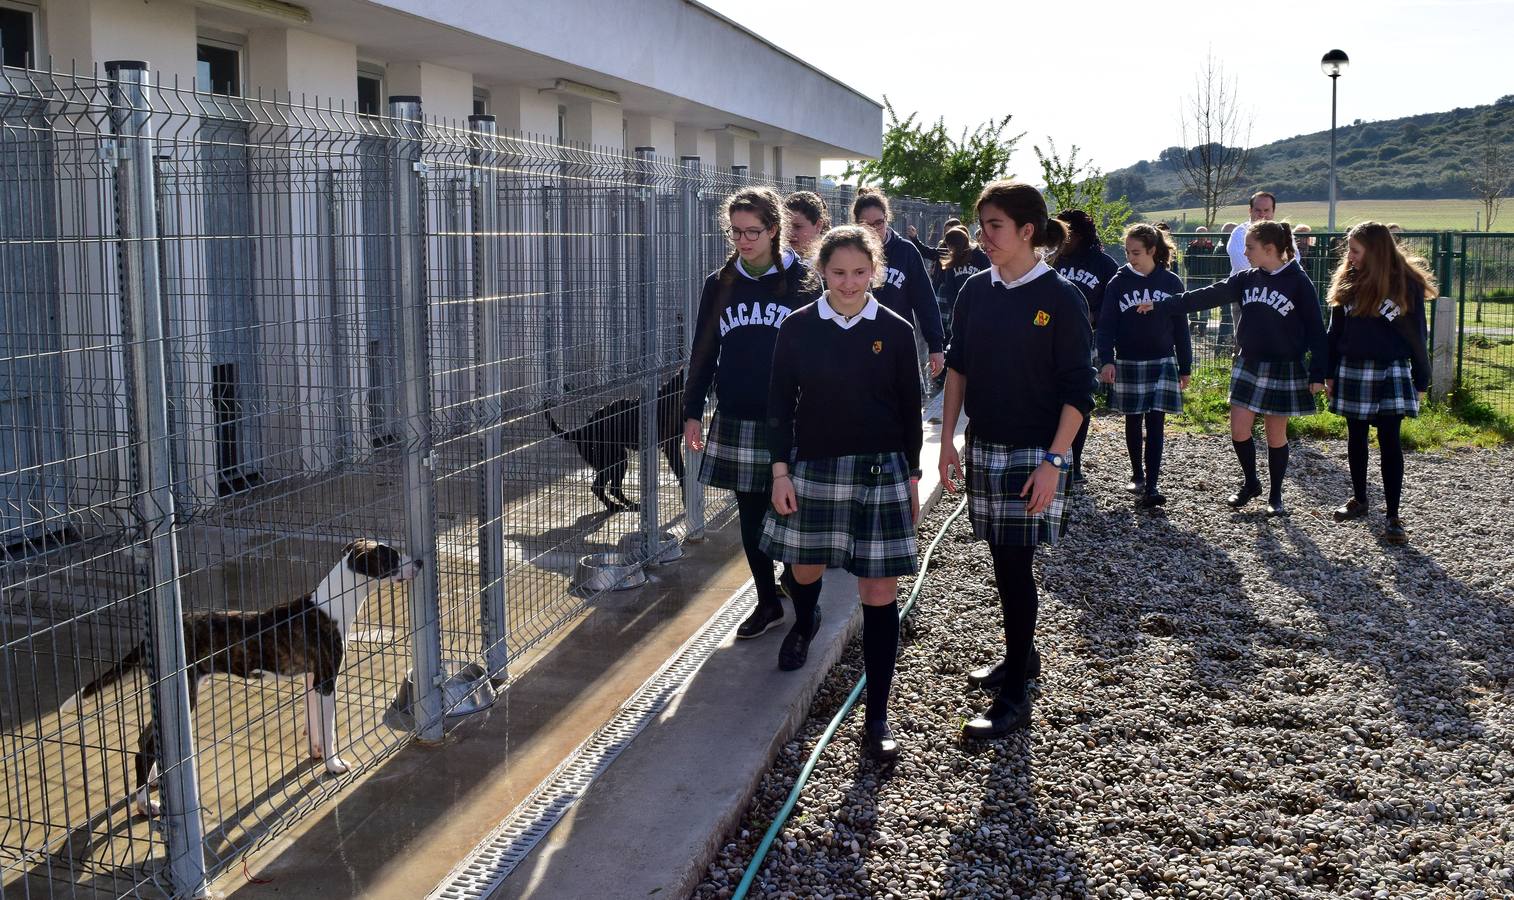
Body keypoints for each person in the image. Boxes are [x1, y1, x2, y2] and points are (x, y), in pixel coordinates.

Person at [938, 180, 1094, 739]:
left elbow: (1080, 391)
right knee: (1005, 562)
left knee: (1015, 564)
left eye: (995, 226)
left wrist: (1054, 461)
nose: (984, 237)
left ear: (1028, 231)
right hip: (986, 441)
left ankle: (1014, 696)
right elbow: (958, 369)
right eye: (982, 225)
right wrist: (949, 441)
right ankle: (1020, 658)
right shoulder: (975, 291)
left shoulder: (1062, 298)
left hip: (1036, 451)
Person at [761, 224, 923, 761]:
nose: (850, 282)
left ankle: (876, 719)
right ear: (821, 272)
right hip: (814, 468)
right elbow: (780, 406)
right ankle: (806, 618)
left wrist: (912, 478)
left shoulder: (897, 330)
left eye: (860, 272)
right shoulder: (798, 327)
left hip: (882, 472)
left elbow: (909, 410)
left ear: (874, 270)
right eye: (838, 272)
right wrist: (781, 473)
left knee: (879, 594)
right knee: (803, 570)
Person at [684, 187, 820, 641]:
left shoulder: (805, 281)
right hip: (739, 413)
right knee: (751, 516)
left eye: (753, 232)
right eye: (736, 231)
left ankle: (802, 606)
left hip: (795, 418)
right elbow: (703, 350)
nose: (743, 240)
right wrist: (692, 410)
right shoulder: (719, 283)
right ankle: (766, 603)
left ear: (775, 230)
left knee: (795, 517)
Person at [1165, 221, 1327, 515]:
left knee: (1276, 436)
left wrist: (1318, 372)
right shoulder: (1246, 278)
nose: (1245, 253)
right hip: (1248, 363)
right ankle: (1251, 482)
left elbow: (1317, 330)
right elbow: (1207, 295)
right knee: (1239, 430)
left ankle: (1275, 496)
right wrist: (1164, 304)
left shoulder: (1298, 281)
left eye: (1250, 247)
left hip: (1284, 366)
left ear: (1270, 249)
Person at [1323, 222, 1433, 544]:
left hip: (1392, 370)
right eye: (1349, 250)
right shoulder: (1349, 279)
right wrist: (1328, 371)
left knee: (1390, 441)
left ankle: (1394, 517)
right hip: (1353, 368)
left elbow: (1417, 333)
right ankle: (1359, 499)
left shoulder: (1405, 284)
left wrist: (1422, 375)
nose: (1350, 256)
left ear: (1375, 251)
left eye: (1355, 251)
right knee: (1355, 437)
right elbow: (1335, 333)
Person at [1097, 224, 1192, 508]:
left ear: (1152, 250)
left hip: (1163, 360)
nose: (1131, 257)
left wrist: (1185, 367)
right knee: (1133, 419)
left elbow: (1181, 329)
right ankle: (1137, 474)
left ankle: (1152, 485)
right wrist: (1106, 360)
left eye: (1136, 252)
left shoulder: (1172, 282)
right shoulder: (1118, 282)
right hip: (1128, 359)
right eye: (1127, 252)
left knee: (1157, 421)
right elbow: (1106, 326)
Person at [1050, 209, 1119, 487]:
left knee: (1078, 402)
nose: (1066, 240)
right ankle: (1053, 457)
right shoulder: (1051, 258)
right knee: (1050, 400)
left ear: (1080, 234)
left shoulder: (1103, 264)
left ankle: (1074, 461)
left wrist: (1096, 316)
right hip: (1048, 338)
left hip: (1085, 340)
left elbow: (1114, 304)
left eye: (1071, 234)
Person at [852, 188, 945, 383]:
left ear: (887, 219)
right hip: (857, 345)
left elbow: (925, 300)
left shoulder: (905, 251)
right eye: (866, 225)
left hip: (898, 343)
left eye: (879, 223)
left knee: (906, 406)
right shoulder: (848, 253)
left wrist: (936, 346)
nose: (874, 230)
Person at [935, 225, 982, 351]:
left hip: (979, 309)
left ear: (957, 244)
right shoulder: (952, 261)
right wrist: (957, 309)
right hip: (958, 311)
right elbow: (950, 290)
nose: (949, 249)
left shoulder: (980, 257)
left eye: (950, 246)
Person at [784, 190, 829, 260]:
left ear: (818, 226)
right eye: (786, 226)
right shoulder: (777, 263)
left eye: (797, 226)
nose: (790, 232)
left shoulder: (829, 263)